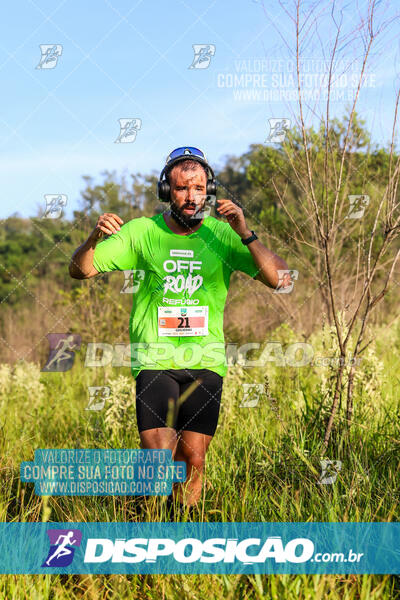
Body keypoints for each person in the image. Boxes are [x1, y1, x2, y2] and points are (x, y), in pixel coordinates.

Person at [69, 146, 290, 512]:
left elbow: (282, 280)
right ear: (165, 191)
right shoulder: (142, 232)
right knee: (158, 461)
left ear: (210, 190)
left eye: (199, 188)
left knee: (194, 461)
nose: (191, 197)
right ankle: (144, 520)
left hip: (205, 361)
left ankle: (178, 530)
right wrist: (93, 239)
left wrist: (246, 233)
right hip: (156, 358)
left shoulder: (223, 235)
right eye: (182, 188)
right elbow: (82, 270)